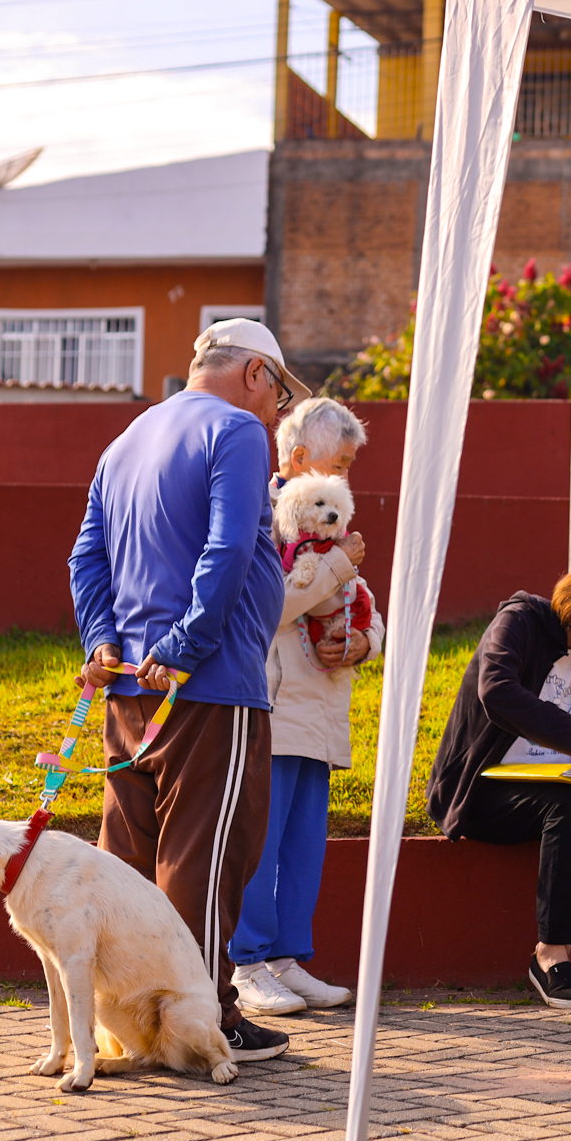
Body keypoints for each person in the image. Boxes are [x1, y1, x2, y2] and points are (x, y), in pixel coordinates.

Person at [68, 318, 307, 1063]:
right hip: (209, 687)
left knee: (129, 864)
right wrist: (185, 645)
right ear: (255, 374)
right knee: (205, 861)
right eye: (280, 394)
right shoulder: (236, 431)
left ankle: (131, 1023)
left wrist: (103, 641)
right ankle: (203, 1025)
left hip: (128, 689)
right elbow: (228, 546)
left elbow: (86, 556)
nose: (277, 412)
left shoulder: (127, 439)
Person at [422, 551, 571, 1009]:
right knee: (567, 806)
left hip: (552, 784)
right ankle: (548, 954)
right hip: (480, 790)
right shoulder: (520, 621)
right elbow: (496, 690)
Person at [229, 398, 383, 1016]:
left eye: (348, 467)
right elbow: (270, 605)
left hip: (320, 708)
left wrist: (364, 642)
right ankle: (246, 964)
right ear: (297, 458)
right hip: (271, 704)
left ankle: (288, 959)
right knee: (259, 843)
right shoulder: (260, 512)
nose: (345, 476)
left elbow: (365, 603)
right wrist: (340, 565)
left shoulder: (333, 527)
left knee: (303, 847)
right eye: (338, 463)